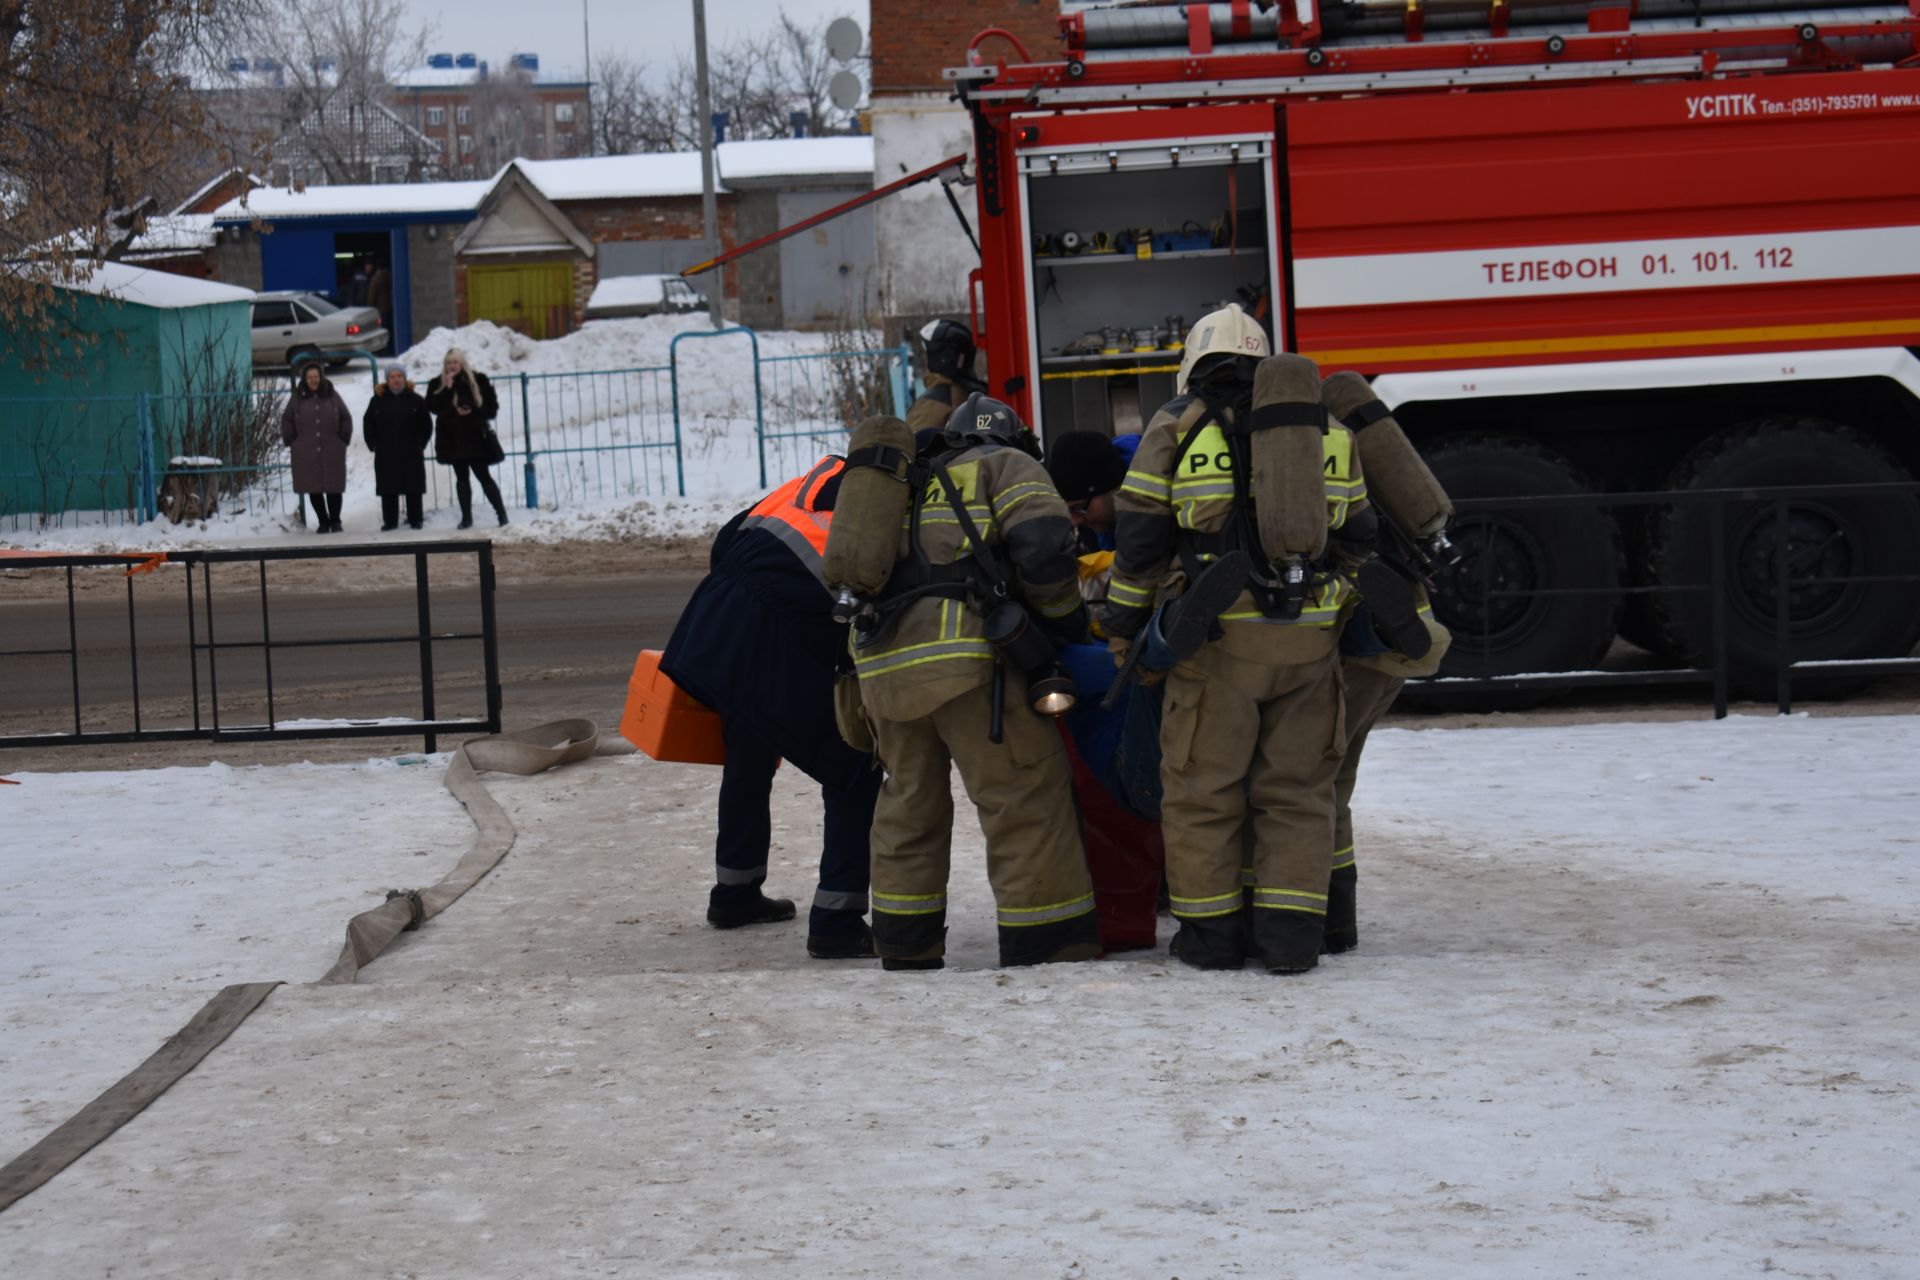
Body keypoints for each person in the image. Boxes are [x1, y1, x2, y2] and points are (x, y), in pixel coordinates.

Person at [1104, 305, 1366, 975]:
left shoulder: (1178, 425)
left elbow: (1138, 541)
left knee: (1202, 792)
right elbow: (1362, 537)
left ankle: (1212, 938)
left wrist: (1125, 631)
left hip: (1216, 643)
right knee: (1300, 791)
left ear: (1195, 364)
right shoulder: (1327, 428)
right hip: (1310, 641)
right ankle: (1291, 941)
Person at [852, 394, 1099, 971]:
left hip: (883, 669)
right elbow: (1043, 547)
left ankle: (905, 943)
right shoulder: (1004, 463)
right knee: (1024, 798)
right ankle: (1049, 942)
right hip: (969, 669)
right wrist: (1065, 621)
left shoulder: (907, 482)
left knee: (908, 805)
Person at [660, 455, 880, 960]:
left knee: (749, 754)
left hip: (712, 623)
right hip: (772, 640)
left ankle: (734, 893)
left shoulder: (821, 473)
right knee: (855, 764)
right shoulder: (885, 500)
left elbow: (726, 537)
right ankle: (838, 920)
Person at [426, 347, 508, 529]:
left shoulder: (478, 380)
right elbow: (433, 407)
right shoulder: (437, 383)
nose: (451, 366)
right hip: (452, 439)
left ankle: (501, 514)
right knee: (461, 479)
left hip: (475, 437)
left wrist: (472, 409)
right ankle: (466, 518)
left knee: (484, 477)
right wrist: (447, 389)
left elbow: (491, 409)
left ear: (462, 363)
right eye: (448, 363)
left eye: (455, 362)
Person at [281, 362, 353, 533]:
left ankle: (335, 521)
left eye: (316, 377)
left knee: (334, 486)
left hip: (332, 449)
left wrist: (343, 437)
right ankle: (323, 521)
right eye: (310, 377)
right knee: (313, 487)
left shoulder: (332, 395)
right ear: (305, 379)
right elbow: (287, 419)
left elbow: (345, 417)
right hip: (305, 451)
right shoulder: (297, 398)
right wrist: (292, 439)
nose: (313, 380)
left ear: (321, 378)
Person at [362, 363, 434, 531]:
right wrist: (372, 443)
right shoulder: (377, 400)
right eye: (392, 377)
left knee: (413, 486)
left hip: (411, 451)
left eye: (399, 376)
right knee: (388, 487)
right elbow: (368, 423)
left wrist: (420, 444)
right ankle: (390, 521)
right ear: (387, 380)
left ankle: (415, 519)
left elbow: (426, 424)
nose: (396, 380)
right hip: (386, 452)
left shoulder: (416, 400)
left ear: (404, 378)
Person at [904, 318, 983, 430]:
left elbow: (909, 444)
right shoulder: (977, 395)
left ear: (941, 358)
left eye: (928, 355)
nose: (926, 361)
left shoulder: (931, 404)